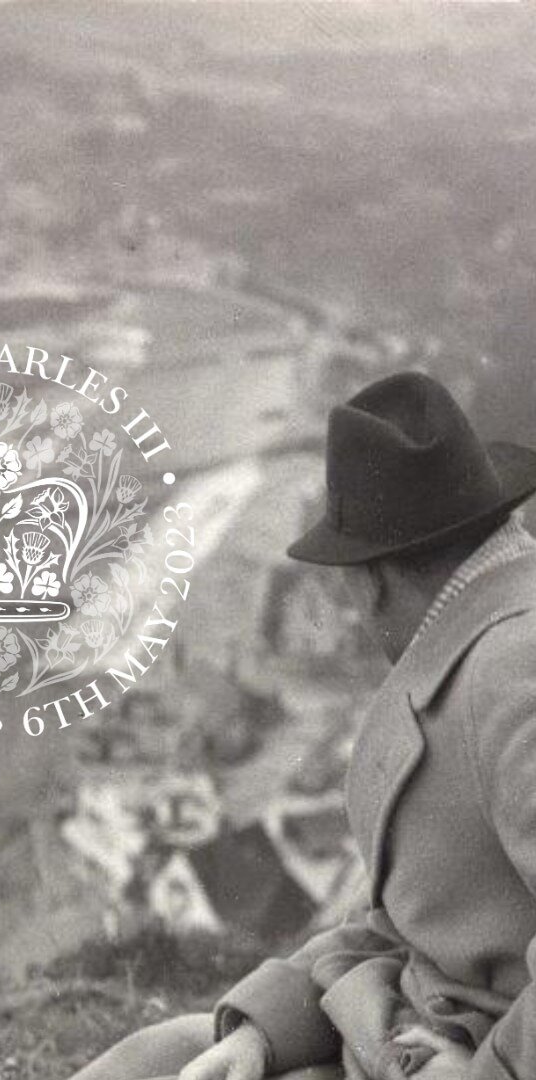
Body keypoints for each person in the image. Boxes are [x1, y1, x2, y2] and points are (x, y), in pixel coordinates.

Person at [70, 371, 536, 1080]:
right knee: (161, 1055)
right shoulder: (481, 648)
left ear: (372, 579)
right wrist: (262, 1032)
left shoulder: (513, 670)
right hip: (407, 1034)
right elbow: (408, 922)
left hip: (461, 1056)